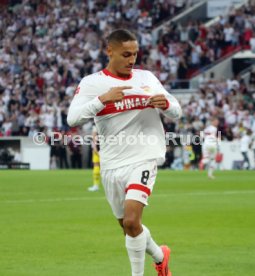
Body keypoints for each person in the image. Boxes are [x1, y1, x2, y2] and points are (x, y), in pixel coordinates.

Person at [67, 29, 182, 276]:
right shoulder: (92, 83)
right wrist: (102, 100)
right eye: (126, 54)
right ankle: (161, 257)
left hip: (143, 157)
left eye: (135, 54)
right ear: (110, 51)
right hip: (111, 164)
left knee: (131, 221)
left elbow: (177, 110)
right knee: (129, 227)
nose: (132, 60)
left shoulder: (147, 78)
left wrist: (167, 104)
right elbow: (72, 118)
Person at [88, 124, 101, 191]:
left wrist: (95, 148)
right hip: (107, 149)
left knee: (96, 165)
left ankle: (96, 185)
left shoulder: (95, 124)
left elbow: (94, 137)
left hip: (99, 149)